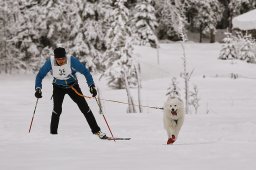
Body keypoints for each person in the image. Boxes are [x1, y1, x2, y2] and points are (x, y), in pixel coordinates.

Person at [34, 47, 107, 139]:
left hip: (72, 86)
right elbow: (40, 75)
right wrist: (38, 88)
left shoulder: (71, 59)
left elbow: (85, 72)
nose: (61, 61)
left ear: (65, 57)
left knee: (85, 108)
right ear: (55, 58)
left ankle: (97, 131)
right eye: (58, 59)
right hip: (58, 87)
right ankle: (53, 134)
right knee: (57, 110)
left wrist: (91, 86)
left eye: (63, 59)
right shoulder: (50, 62)